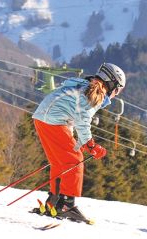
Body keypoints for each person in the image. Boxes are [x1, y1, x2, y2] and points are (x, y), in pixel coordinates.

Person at [31, 63, 126, 223]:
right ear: (111, 84)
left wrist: (82, 142)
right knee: (74, 161)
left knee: (60, 163)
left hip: (42, 118)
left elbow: (74, 114)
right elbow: (83, 121)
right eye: (117, 90)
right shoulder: (95, 93)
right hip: (54, 121)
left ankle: (54, 201)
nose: (116, 94)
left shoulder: (85, 86)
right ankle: (67, 205)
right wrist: (91, 145)